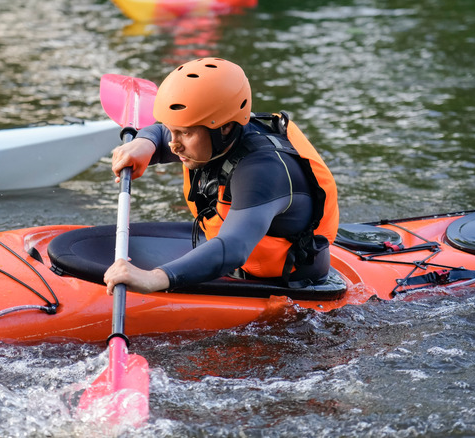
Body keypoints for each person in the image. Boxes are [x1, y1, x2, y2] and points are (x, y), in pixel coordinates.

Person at [104, 57, 339, 295]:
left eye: (184, 133)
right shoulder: (214, 136)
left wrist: (155, 278)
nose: (173, 144)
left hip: (287, 287)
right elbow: (160, 131)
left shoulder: (264, 171)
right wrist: (145, 143)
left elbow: (233, 248)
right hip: (234, 268)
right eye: (171, 130)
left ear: (225, 127)